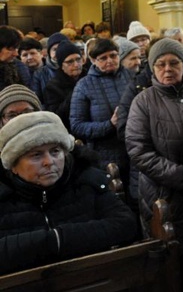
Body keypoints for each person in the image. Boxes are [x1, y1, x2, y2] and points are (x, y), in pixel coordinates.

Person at [126, 38, 183, 292]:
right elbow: (139, 150)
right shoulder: (144, 101)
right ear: (152, 68)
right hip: (165, 195)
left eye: (174, 62)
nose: (168, 69)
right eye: (160, 64)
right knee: (175, 265)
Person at [0, 111, 137, 275]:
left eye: (55, 151)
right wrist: (52, 241)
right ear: (13, 165)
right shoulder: (4, 198)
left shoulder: (85, 181)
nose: (49, 162)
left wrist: (61, 237)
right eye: (36, 155)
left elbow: (125, 224)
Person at [69, 38, 133, 194]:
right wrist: (109, 124)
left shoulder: (132, 78)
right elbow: (77, 125)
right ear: (92, 60)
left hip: (134, 151)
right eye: (103, 58)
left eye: (113, 55)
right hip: (104, 155)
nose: (109, 61)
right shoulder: (84, 85)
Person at [43, 41, 85, 130]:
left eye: (78, 59)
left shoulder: (89, 77)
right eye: (70, 62)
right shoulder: (52, 87)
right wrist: (76, 92)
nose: (76, 65)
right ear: (61, 65)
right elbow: (56, 117)